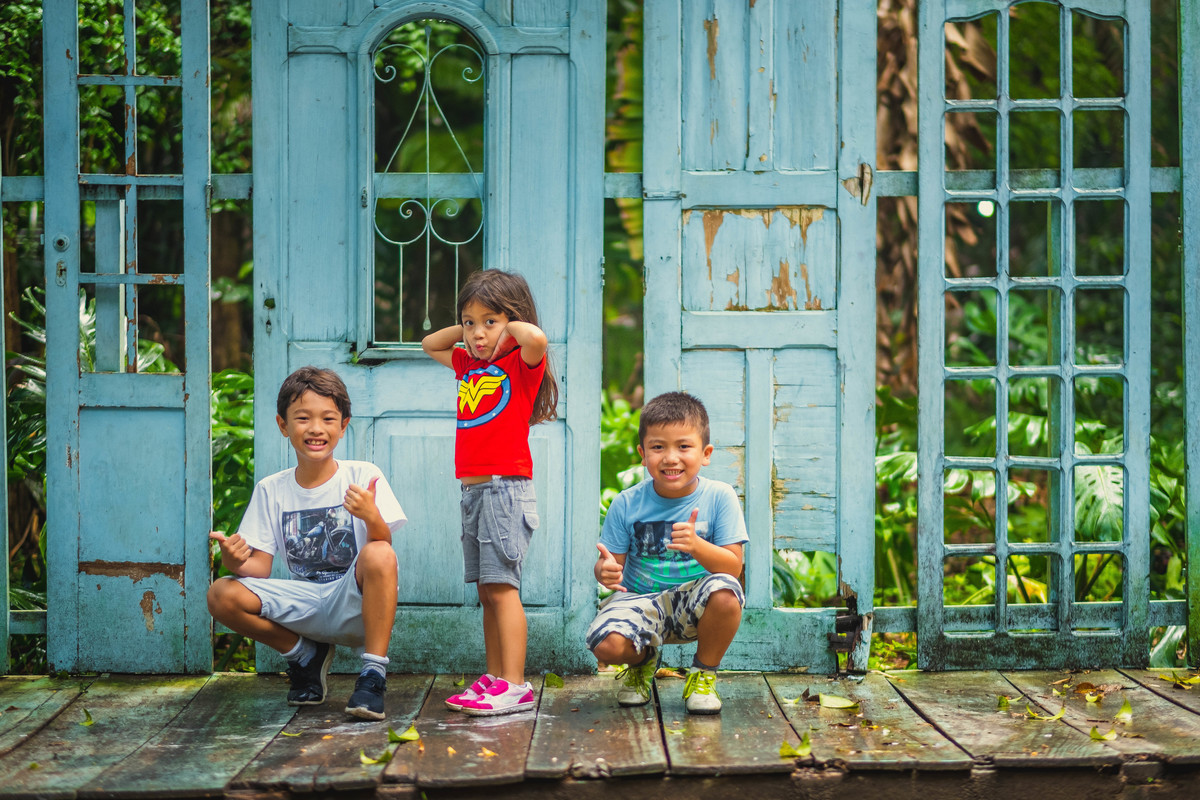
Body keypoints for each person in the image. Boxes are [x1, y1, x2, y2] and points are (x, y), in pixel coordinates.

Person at [207, 367, 406, 721]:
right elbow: (260, 569)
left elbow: (383, 546)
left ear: (343, 425)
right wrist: (234, 560)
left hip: (356, 603)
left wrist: (370, 515)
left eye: (328, 418)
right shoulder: (272, 489)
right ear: (283, 425)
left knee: (379, 552)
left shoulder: (362, 475)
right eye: (302, 418)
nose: (316, 428)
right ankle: (304, 656)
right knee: (221, 594)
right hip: (305, 604)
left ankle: (373, 675)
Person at [421, 269, 559, 716]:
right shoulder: (467, 364)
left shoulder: (520, 366)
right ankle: (496, 677)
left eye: (490, 321)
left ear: (511, 321)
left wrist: (508, 335)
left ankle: (515, 685)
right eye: (469, 322)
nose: (477, 333)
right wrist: (473, 331)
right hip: (475, 491)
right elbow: (431, 344)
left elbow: (535, 337)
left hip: (506, 489)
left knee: (503, 588)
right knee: (486, 590)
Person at [586, 391, 747, 714]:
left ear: (705, 453)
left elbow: (733, 568)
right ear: (642, 454)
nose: (670, 458)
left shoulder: (719, 496)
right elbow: (612, 568)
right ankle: (643, 662)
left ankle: (702, 674)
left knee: (727, 595)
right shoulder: (627, 502)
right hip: (641, 601)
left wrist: (697, 546)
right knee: (605, 644)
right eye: (658, 447)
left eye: (683, 446)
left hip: (695, 602)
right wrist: (604, 571)